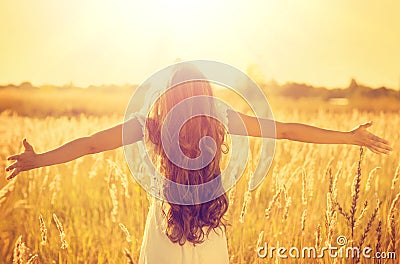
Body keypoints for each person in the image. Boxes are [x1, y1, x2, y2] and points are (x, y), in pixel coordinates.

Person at [5, 64, 392, 264]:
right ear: (204, 94)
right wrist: (349, 136)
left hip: (165, 230)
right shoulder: (219, 118)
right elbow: (287, 131)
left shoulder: (149, 126)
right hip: (209, 230)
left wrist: (38, 160)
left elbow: (88, 145)